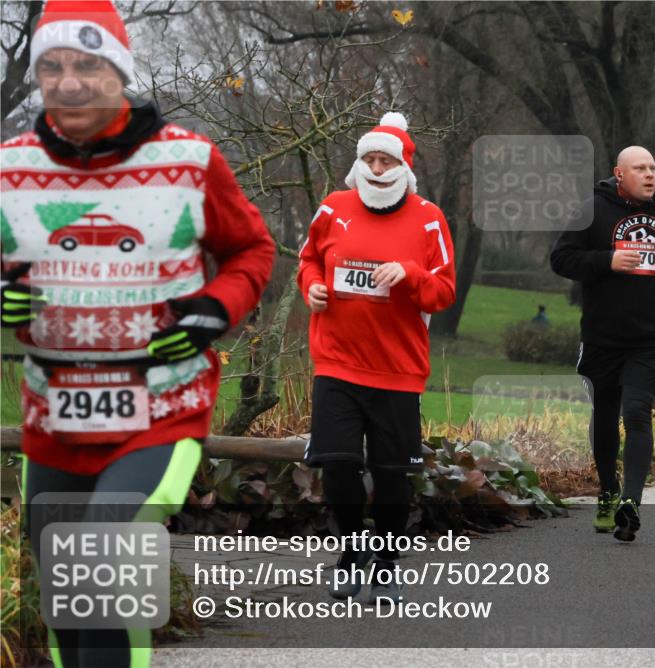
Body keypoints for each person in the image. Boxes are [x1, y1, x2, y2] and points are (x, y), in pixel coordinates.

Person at [0, 1, 275, 665]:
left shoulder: (188, 159)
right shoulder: (9, 168)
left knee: (100, 551)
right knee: (67, 597)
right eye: (53, 66)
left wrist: (216, 308)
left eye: (88, 65)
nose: (69, 81)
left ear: (119, 71)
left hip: (161, 407)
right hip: (56, 415)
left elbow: (252, 251)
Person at [297, 111, 456, 601]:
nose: (378, 168)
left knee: (391, 477)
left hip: (398, 370)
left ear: (404, 168)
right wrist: (313, 287)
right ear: (358, 163)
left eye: (387, 160)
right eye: (369, 158)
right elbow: (308, 260)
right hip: (337, 362)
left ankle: (385, 558)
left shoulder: (429, 218)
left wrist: (410, 273)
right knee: (338, 466)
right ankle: (349, 553)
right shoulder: (333, 208)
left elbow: (443, 293)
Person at [550, 146, 655, 541]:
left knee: (636, 412)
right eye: (640, 168)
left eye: (653, 168)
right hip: (602, 338)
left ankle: (630, 502)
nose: (650, 174)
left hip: (651, 338)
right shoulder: (592, 211)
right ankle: (606, 491)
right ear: (620, 174)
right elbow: (561, 259)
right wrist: (607, 261)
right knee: (605, 415)